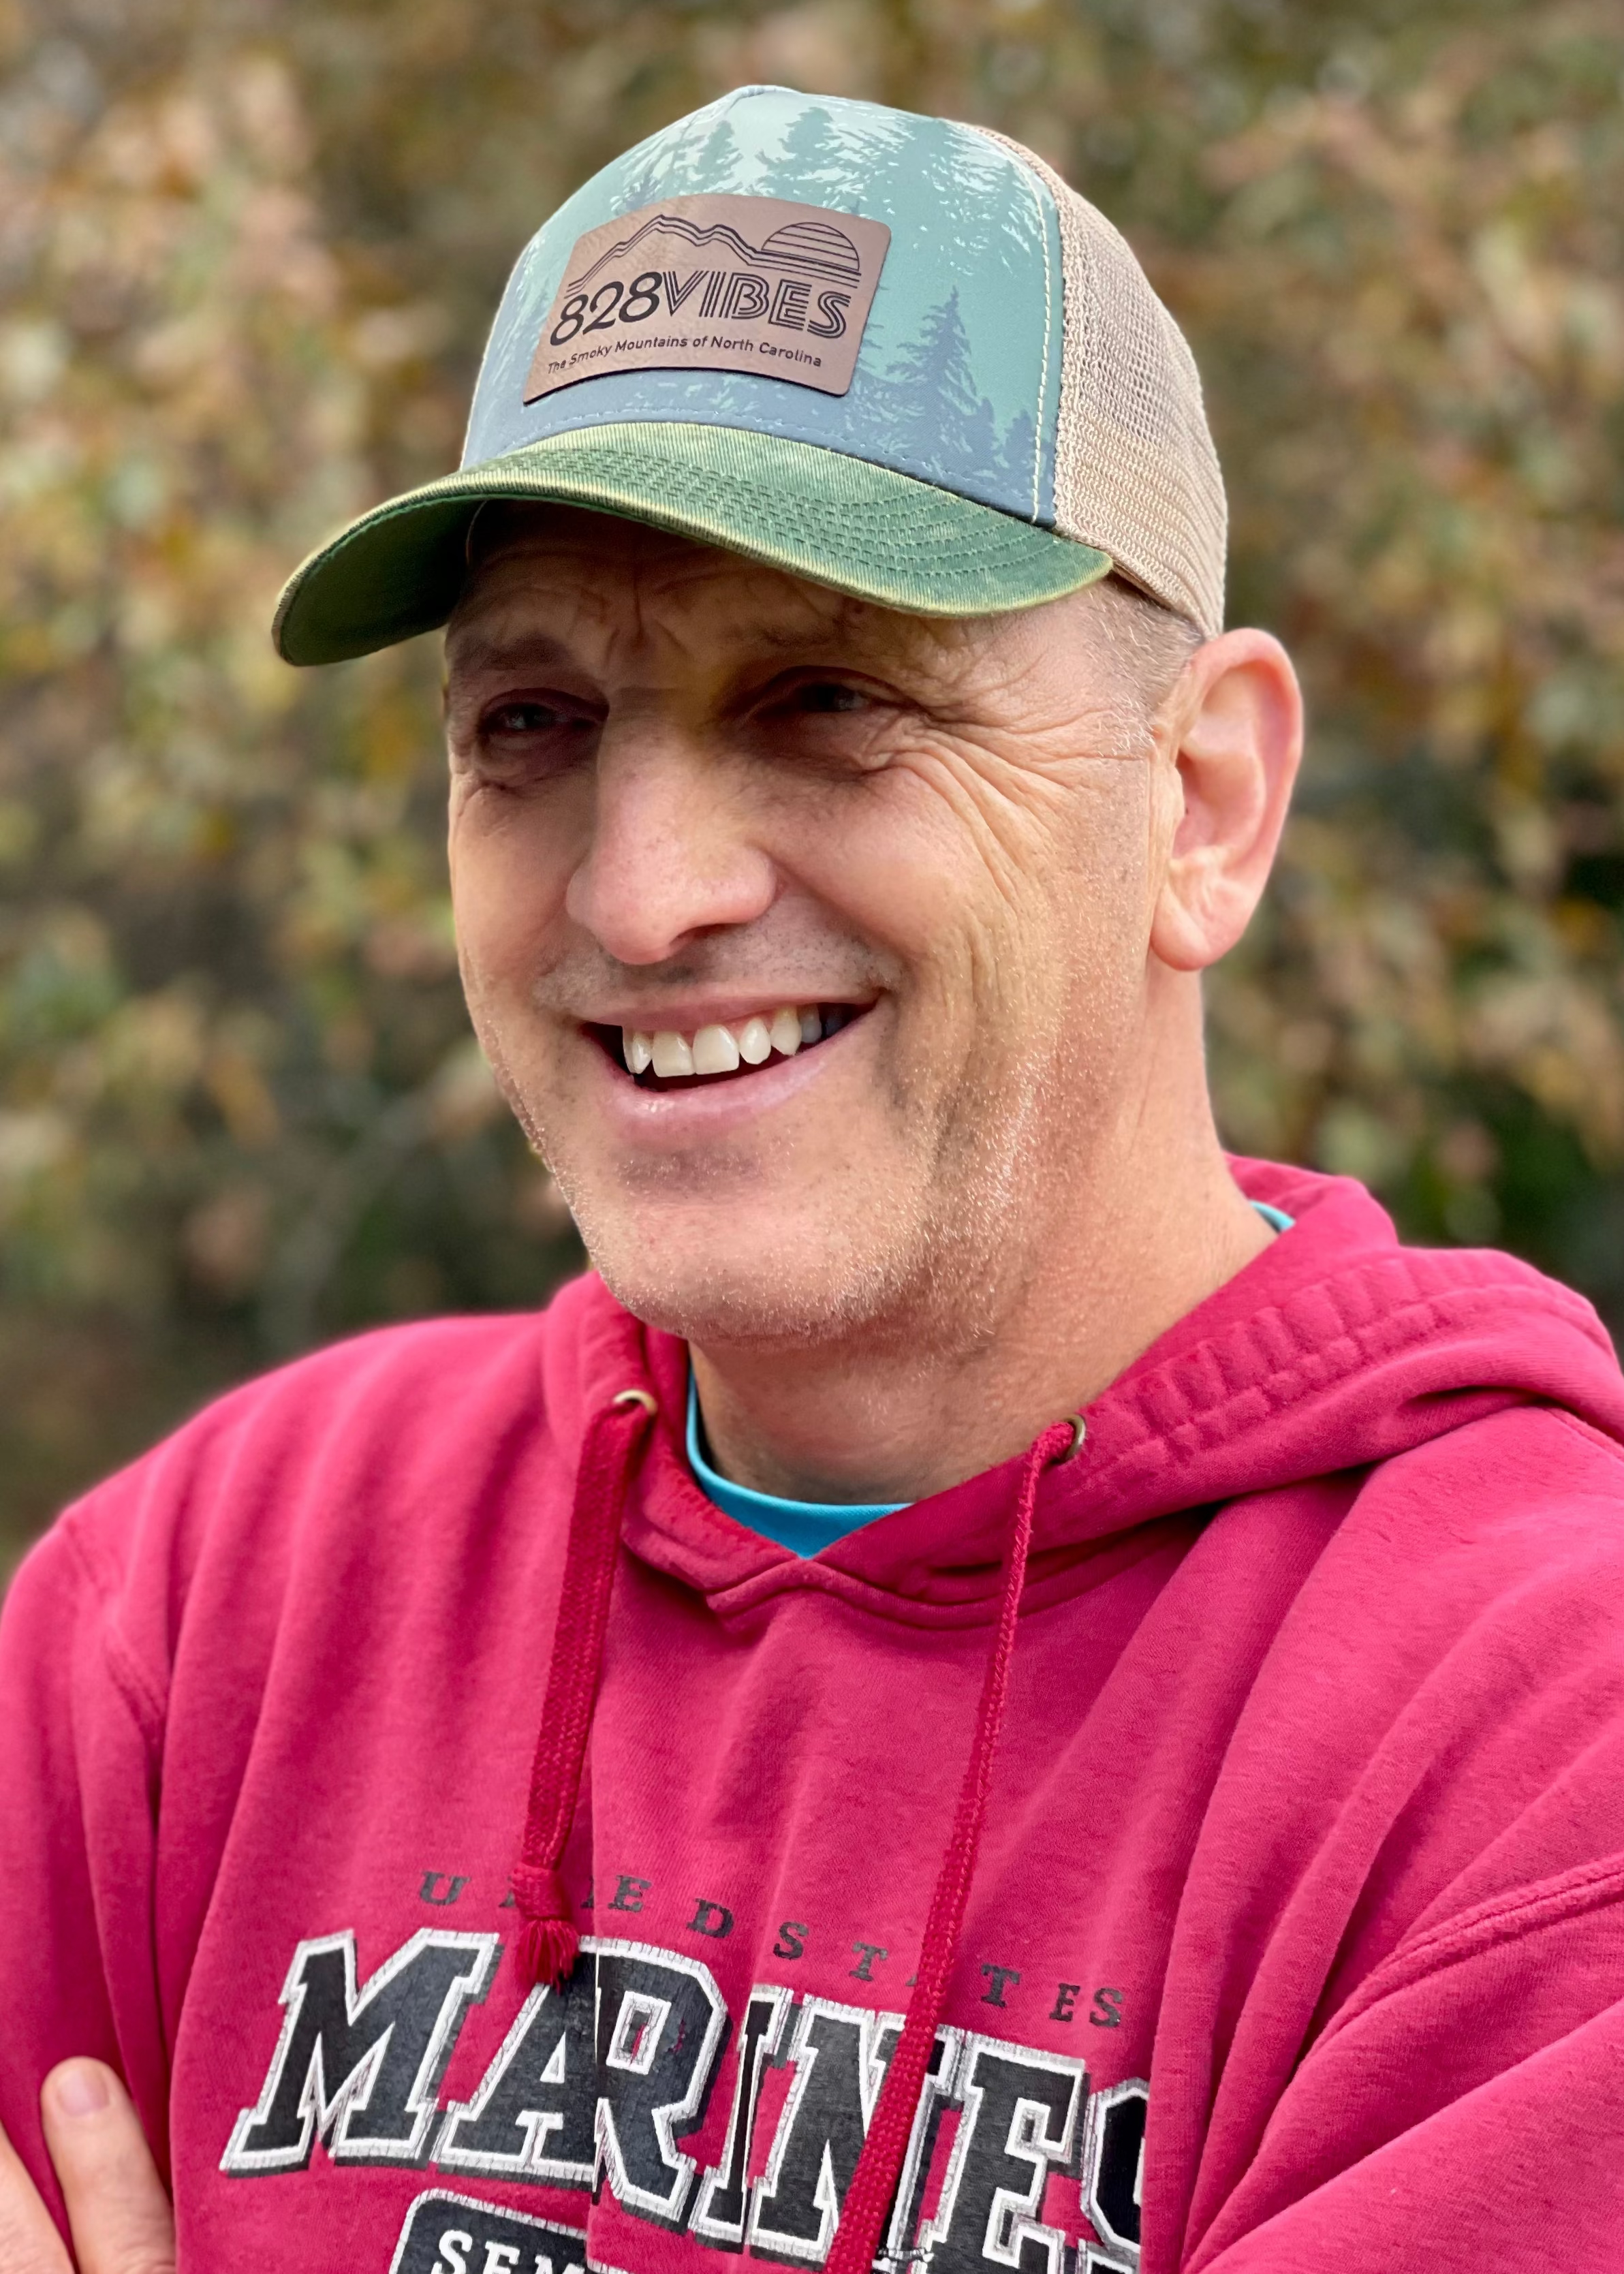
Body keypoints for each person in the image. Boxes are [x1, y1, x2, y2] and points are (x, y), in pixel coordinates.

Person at [3, 82, 1623, 2274]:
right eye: (533, 724)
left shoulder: (1534, 1736)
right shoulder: (217, 1601)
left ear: (1204, 803)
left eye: (830, 698)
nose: (644, 892)